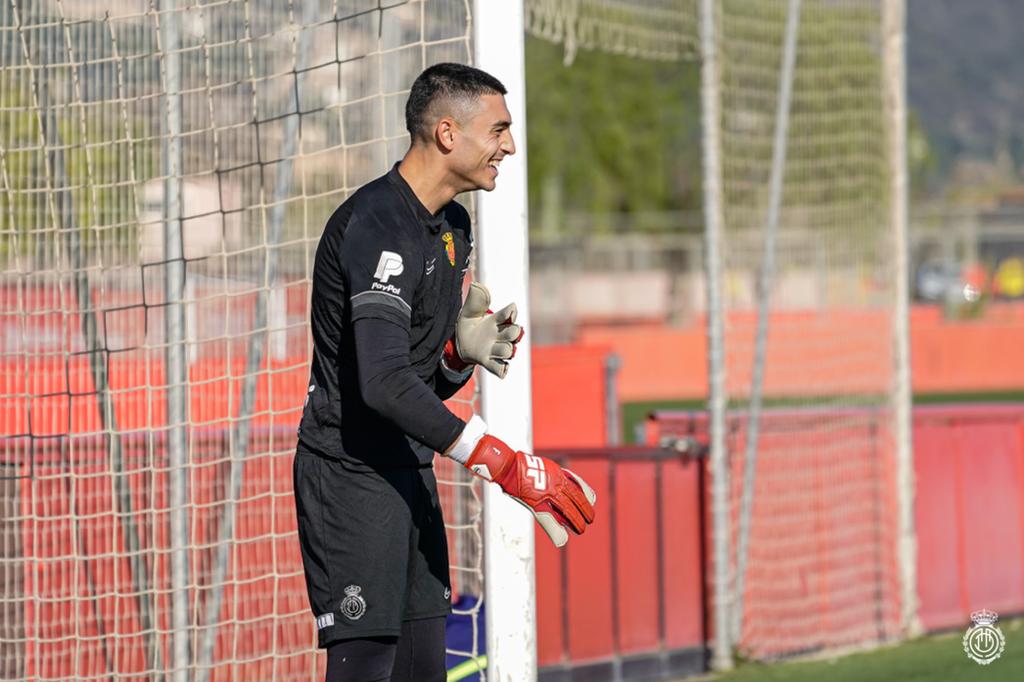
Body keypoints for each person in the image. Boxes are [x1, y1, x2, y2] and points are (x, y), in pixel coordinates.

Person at [292, 63, 597, 682]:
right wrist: (503, 463)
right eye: (499, 130)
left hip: (411, 471)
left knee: (424, 669)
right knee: (367, 671)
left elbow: (415, 385)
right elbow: (379, 385)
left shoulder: (453, 227)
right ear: (449, 133)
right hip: (351, 476)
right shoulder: (380, 224)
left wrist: (457, 356)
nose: (509, 146)